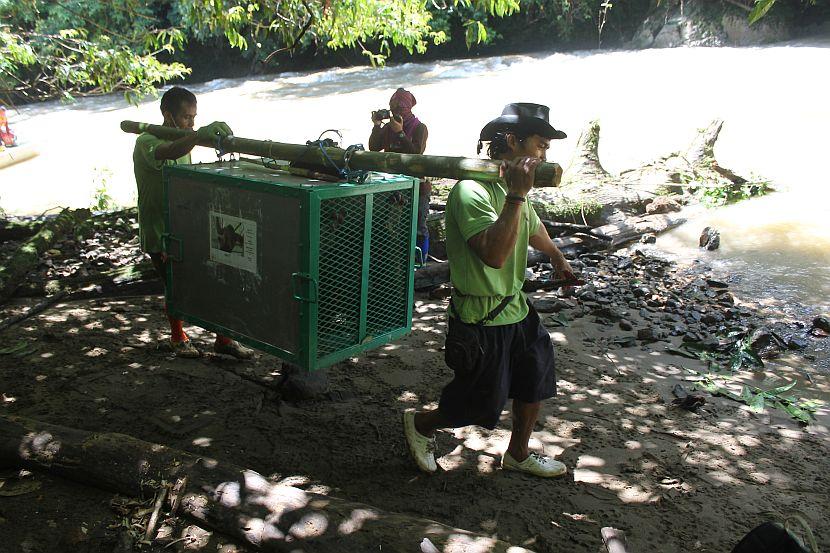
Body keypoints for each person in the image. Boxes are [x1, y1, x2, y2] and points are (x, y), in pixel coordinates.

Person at [403, 103, 577, 478]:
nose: (544, 155)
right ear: (512, 141)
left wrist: (557, 256)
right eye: (540, 145)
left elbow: (531, 227)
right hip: (481, 317)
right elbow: (495, 256)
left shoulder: (515, 191)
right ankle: (420, 425)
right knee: (478, 402)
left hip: (517, 308)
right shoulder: (471, 191)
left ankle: (517, 453)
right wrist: (516, 195)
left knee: (535, 380)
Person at [132, 86, 253, 359]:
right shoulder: (146, 142)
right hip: (158, 229)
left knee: (211, 280)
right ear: (167, 115)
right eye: (186, 117)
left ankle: (223, 338)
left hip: (184, 223)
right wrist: (197, 136)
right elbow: (170, 151)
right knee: (175, 285)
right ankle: (178, 338)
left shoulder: (183, 138)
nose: (191, 123)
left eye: (194, 118)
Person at [368, 88, 431, 262]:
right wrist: (377, 126)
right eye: (393, 108)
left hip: (418, 186)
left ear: (409, 108)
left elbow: (416, 153)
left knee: (418, 226)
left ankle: (421, 262)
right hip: (393, 184)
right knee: (391, 226)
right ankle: (396, 263)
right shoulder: (389, 127)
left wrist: (401, 133)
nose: (397, 111)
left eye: (400, 108)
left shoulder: (420, 127)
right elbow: (373, 147)